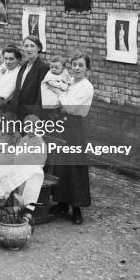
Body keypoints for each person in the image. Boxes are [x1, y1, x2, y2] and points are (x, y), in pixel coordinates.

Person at [46, 51, 94, 225]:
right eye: (74, 64)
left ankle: (77, 207)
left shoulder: (86, 86)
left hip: (74, 127)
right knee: (61, 165)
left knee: (74, 165)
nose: (77, 68)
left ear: (87, 69)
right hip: (62, 125)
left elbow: (70, 107)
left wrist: (59, 93)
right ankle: (62, 202)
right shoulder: (71, 82)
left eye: (81, 65)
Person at [9, 36, 49, 118]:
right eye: (26, 46)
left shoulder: (43, 68)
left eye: (32, 46)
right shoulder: (24, 66)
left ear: (39, 48)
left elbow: (41, 95)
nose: (29, 49)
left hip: (30, 113)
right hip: (17, 110)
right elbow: (18, 89)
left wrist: (35, 114)